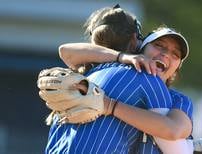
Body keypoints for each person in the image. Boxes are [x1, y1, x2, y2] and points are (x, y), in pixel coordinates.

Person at [44, 6, 191, 153]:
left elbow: (65, 51)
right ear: (139, 46)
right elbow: (176, 142)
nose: (165, 54)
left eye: (175, 54)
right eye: (159, 45)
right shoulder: (144, 79)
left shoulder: (84, 77)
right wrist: (109, 106)